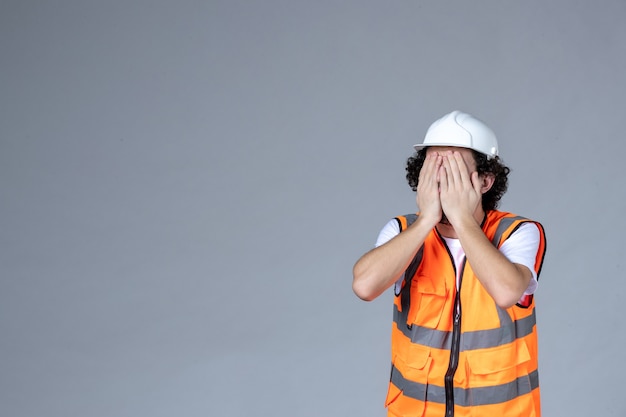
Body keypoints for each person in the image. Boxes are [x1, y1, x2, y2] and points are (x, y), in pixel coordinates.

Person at [352, 110, 547, 417]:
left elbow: (507, 291)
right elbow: (364, 286)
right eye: (434, 168)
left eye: (454, 169)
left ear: (485, 181)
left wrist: (460, 216)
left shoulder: (518, 233)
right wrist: (427, 219)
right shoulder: (404, 231)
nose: (442, 179)